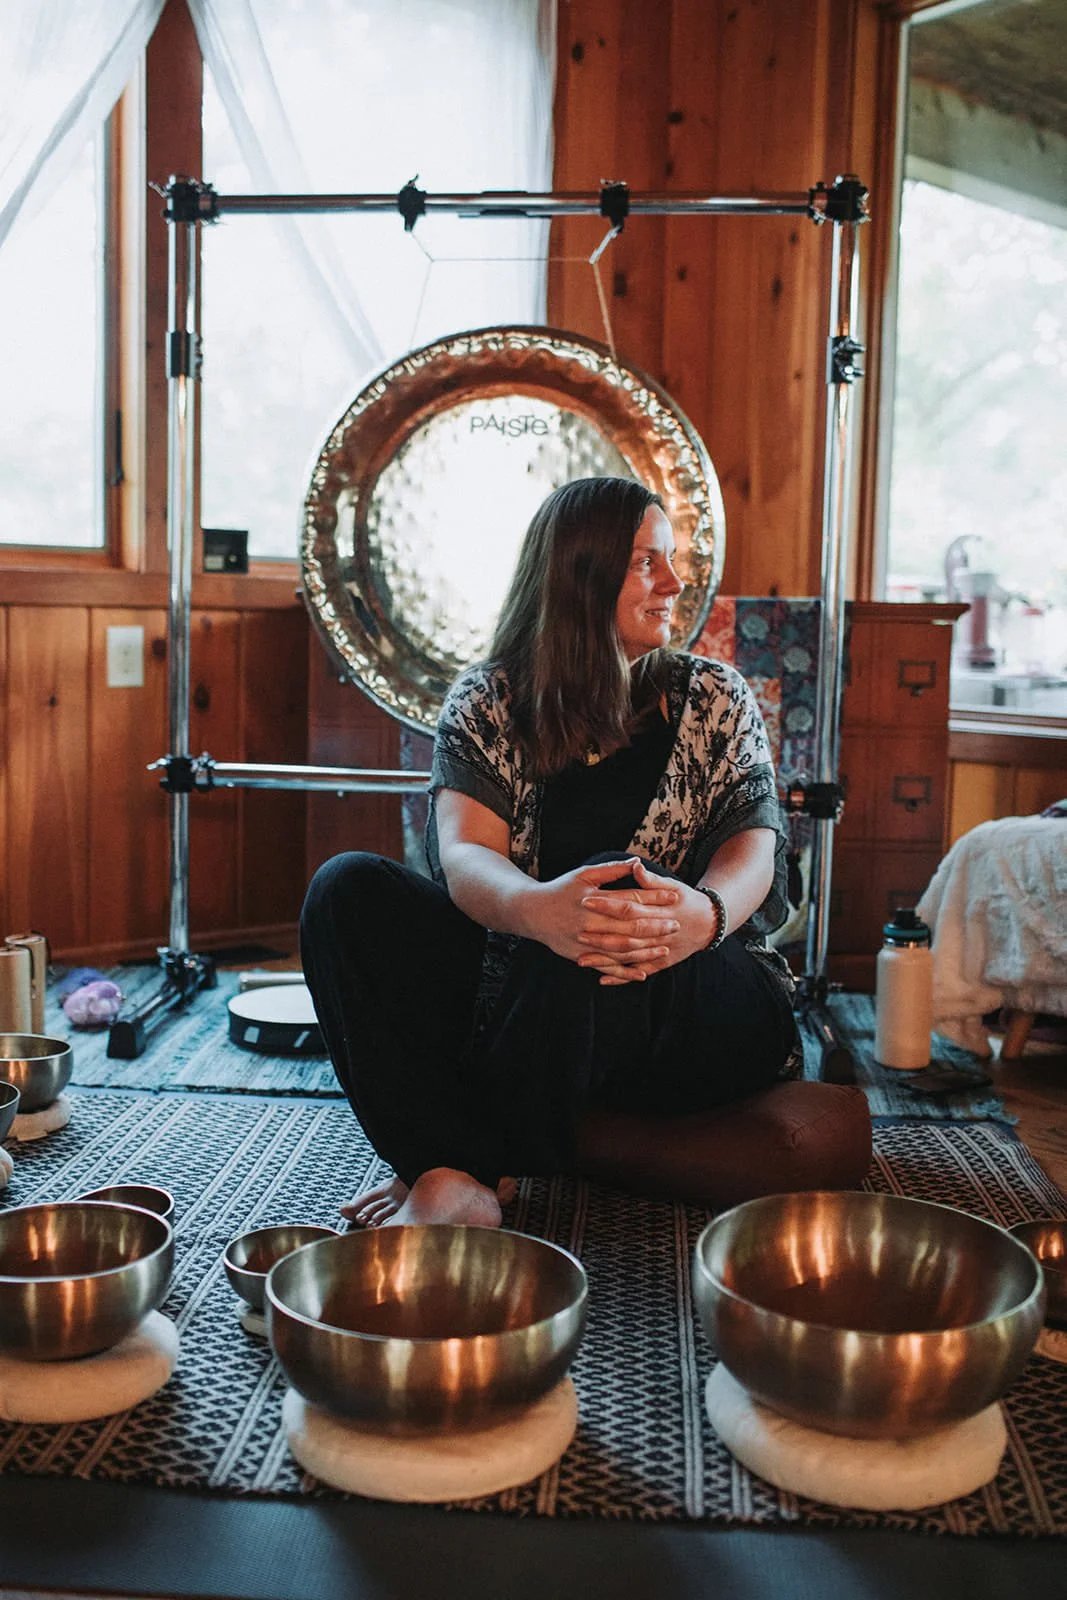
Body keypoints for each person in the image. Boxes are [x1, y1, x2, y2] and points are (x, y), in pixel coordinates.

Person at [300, 476, 800, 1229]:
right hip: (534, 999)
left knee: (614, 889)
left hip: (697, 998)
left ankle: (464, 1160)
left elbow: (753, 850)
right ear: (580, 574)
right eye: (646, 563)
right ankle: (451, 1182)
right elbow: (466, 856)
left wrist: (705, 912)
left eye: (670, 560)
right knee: (347, 889)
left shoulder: (714, 697)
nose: (675, 582)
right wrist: (538, 910)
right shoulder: (486, 702)